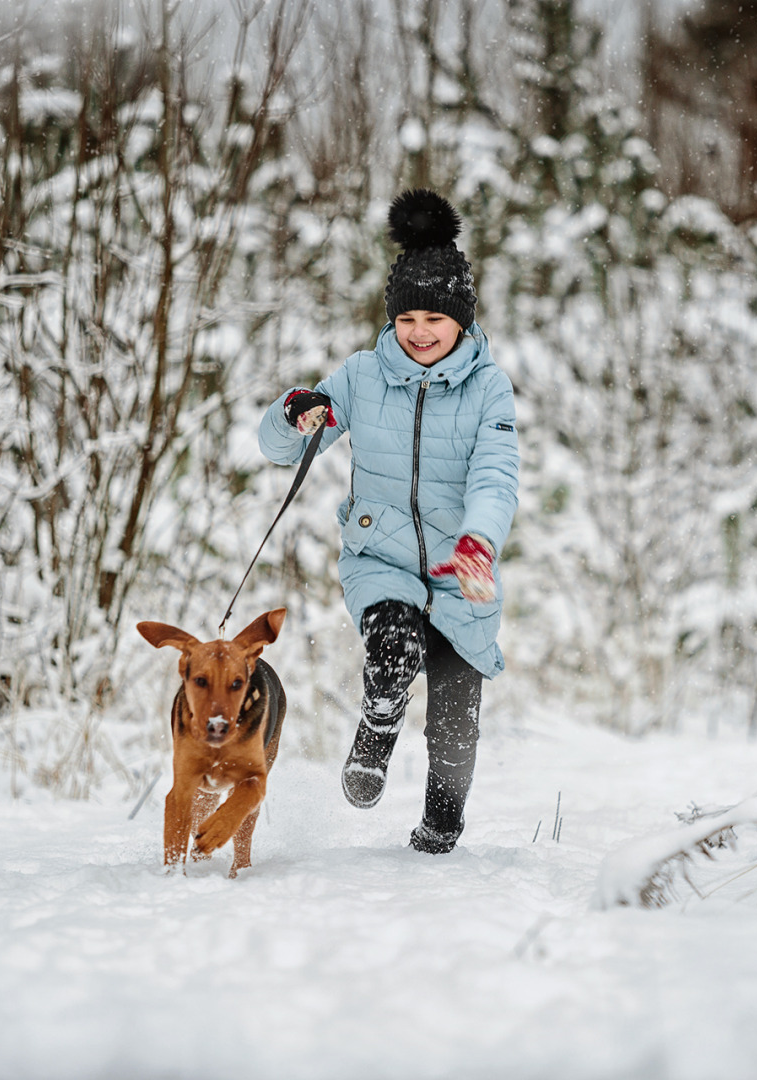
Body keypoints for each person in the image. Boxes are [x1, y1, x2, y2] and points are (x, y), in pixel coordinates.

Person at [258, 189, 519, 854]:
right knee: (394, 643)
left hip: (463, 573)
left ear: (461, 320)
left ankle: (439, 829)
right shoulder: (362, 376)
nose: (420, 330)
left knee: (456, 726)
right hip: (382, 561)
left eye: (436, 316)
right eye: (407, 317)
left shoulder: (488, 388)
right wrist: (296, 414)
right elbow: (284, 445)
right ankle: (375, 730)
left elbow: (496, 474)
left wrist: (479, 541)